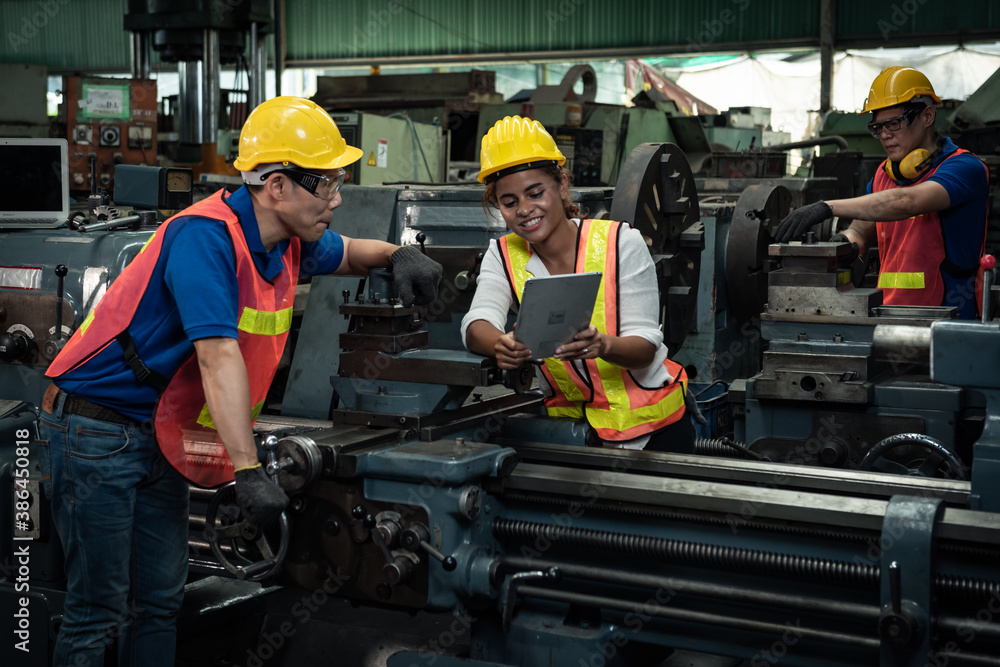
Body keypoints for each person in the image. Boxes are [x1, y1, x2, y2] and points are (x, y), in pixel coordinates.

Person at [37, 96, 442, 666]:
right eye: (327, 184)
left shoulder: (286, 239)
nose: (338, 197)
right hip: (96, 429)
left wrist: (400, 253)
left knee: (157, 602)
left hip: (157, 430)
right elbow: (217, 356)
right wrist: (247, 470)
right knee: (97, 609)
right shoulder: (204, 238)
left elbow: (350, 253)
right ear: (277, 185)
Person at [461, 115, 698, 453]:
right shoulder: (502, 254)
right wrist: (500, 344)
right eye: (510, 202)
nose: (525, 210)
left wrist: (604, 345)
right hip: (572, 434)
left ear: (561, 185)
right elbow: (476, 323)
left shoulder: (621, 243)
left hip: (655, 434)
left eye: (535, 193)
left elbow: (646, 346)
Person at [775, 65, 989, 319]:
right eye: (878, 128)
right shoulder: (884, 174)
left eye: (894, 124)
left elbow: (905, 201)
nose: (885, 136)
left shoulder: (965, 168)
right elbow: (861, 230)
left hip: (948, 317)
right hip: (887, 313)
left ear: (928, 116)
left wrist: (826, 207)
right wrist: (842, 245)